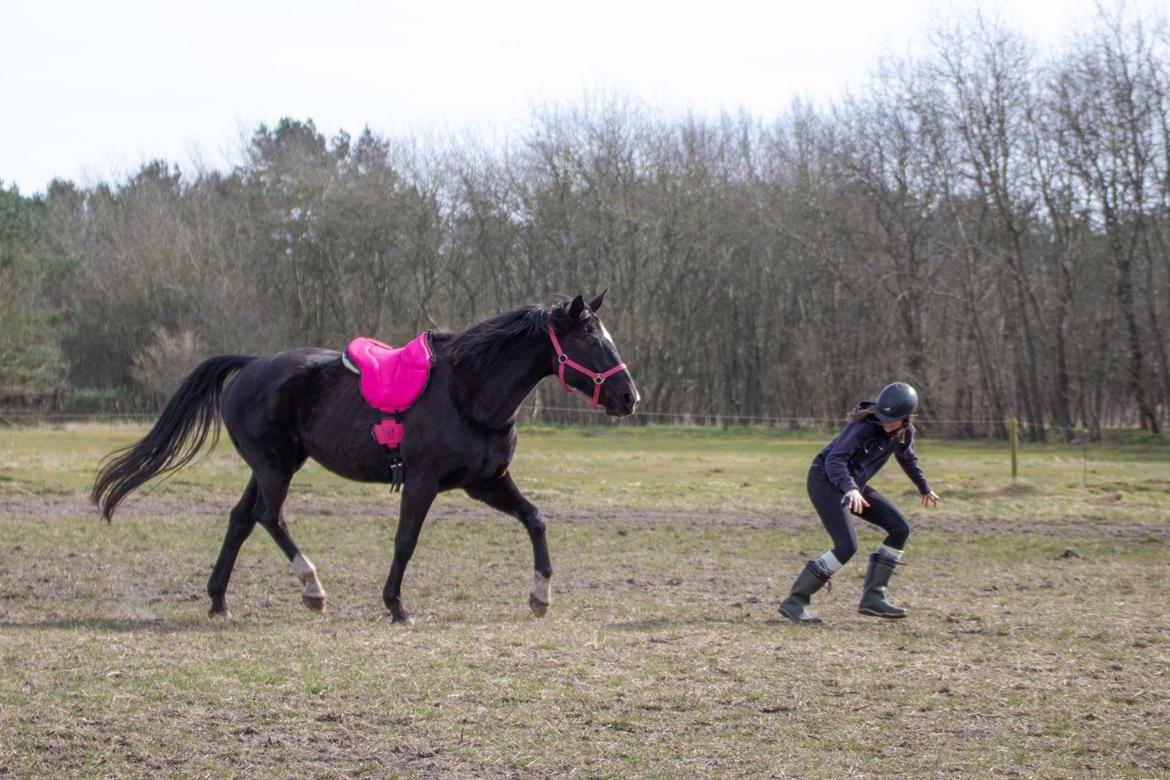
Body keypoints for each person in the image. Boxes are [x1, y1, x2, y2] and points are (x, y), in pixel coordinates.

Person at [779, 382, 940, 623]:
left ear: (907, 418)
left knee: (900, 529)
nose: (886, 423)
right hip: (825, 480)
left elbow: (908, 459)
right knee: (846, 546)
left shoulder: (905, 432)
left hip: (853, 486)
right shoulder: (863, 426)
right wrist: (851, 488)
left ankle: (873, 597)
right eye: (883, 417)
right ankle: (795, 602)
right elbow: (835, 460)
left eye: (892, 420)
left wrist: (924, 487)